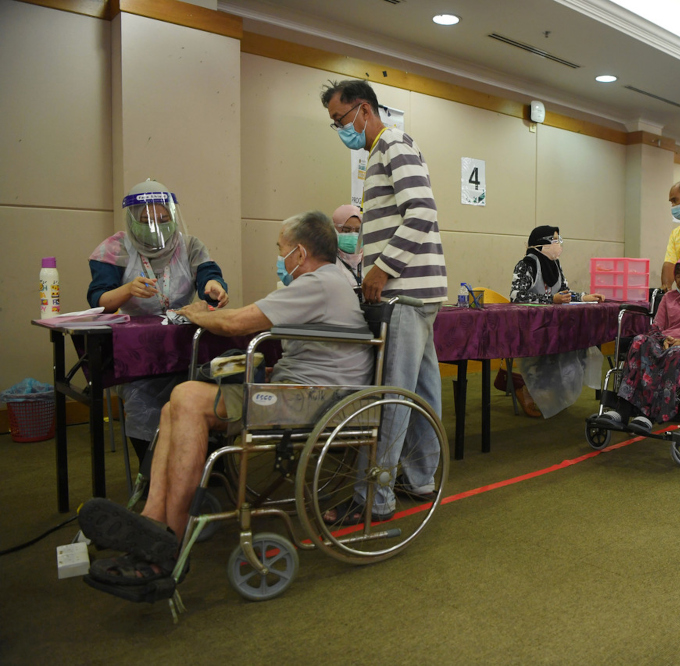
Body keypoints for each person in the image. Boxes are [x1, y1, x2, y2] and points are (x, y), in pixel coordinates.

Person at [78, 211, 374, 595]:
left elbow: (238, 323)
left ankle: (168, 541)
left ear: (300, 253)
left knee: (185, 395)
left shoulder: (318, 284)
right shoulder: (326, 282)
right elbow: (252, 318)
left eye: (281, 250)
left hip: (312, 402)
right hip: (297, 392)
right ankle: (152, 526)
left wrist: (199, 314)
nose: (280, 257)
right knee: (173, 407)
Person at [322, 79, 447, 524]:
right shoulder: (382, 151)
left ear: (363, 109)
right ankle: (419, 477)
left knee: (391, 395)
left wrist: (381, 269)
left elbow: (423, 211)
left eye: (341, 120)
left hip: (404, 291)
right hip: (418, 291)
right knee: (423, 392)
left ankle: (374, 496)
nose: (341, 129)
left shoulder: (392, 141)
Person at [87, 179, 229, 465]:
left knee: (213, 386)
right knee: (142, 400)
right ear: (133, 219)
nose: (158, 226)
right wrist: (127, 290)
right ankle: (152, 467)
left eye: (165, 219)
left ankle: (209, 463)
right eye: (148, 220)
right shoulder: (114, 249)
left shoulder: (189, 246)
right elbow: (98, 300)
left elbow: (207, 275)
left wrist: (214, 284)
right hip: (138, 350)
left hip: (185, 342)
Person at [596, 254, 680, 434]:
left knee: (677, 352)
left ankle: (648, 415)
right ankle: (622, 411)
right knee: (639, 341)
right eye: (679, 274)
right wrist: (664, 339)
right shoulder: (669, 298)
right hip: (665, 342)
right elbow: (656, 329)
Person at [506, 225, 605, 417]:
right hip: (530, 330)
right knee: (556, 348)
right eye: (555, 240)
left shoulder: (555, 266)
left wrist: (584, 297)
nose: (559, 245)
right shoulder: (525, 265)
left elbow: (564, 294)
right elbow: (516, 296)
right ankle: (526, 391)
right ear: (542, 244)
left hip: (553, 328)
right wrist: (549, 300)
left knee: (579, 345)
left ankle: (550, 393)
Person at [331, 204, 363, 286]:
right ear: (334, 230)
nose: (353, 235)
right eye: (346, 230)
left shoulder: (370, 260)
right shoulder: (329, 261)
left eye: (357, 231)